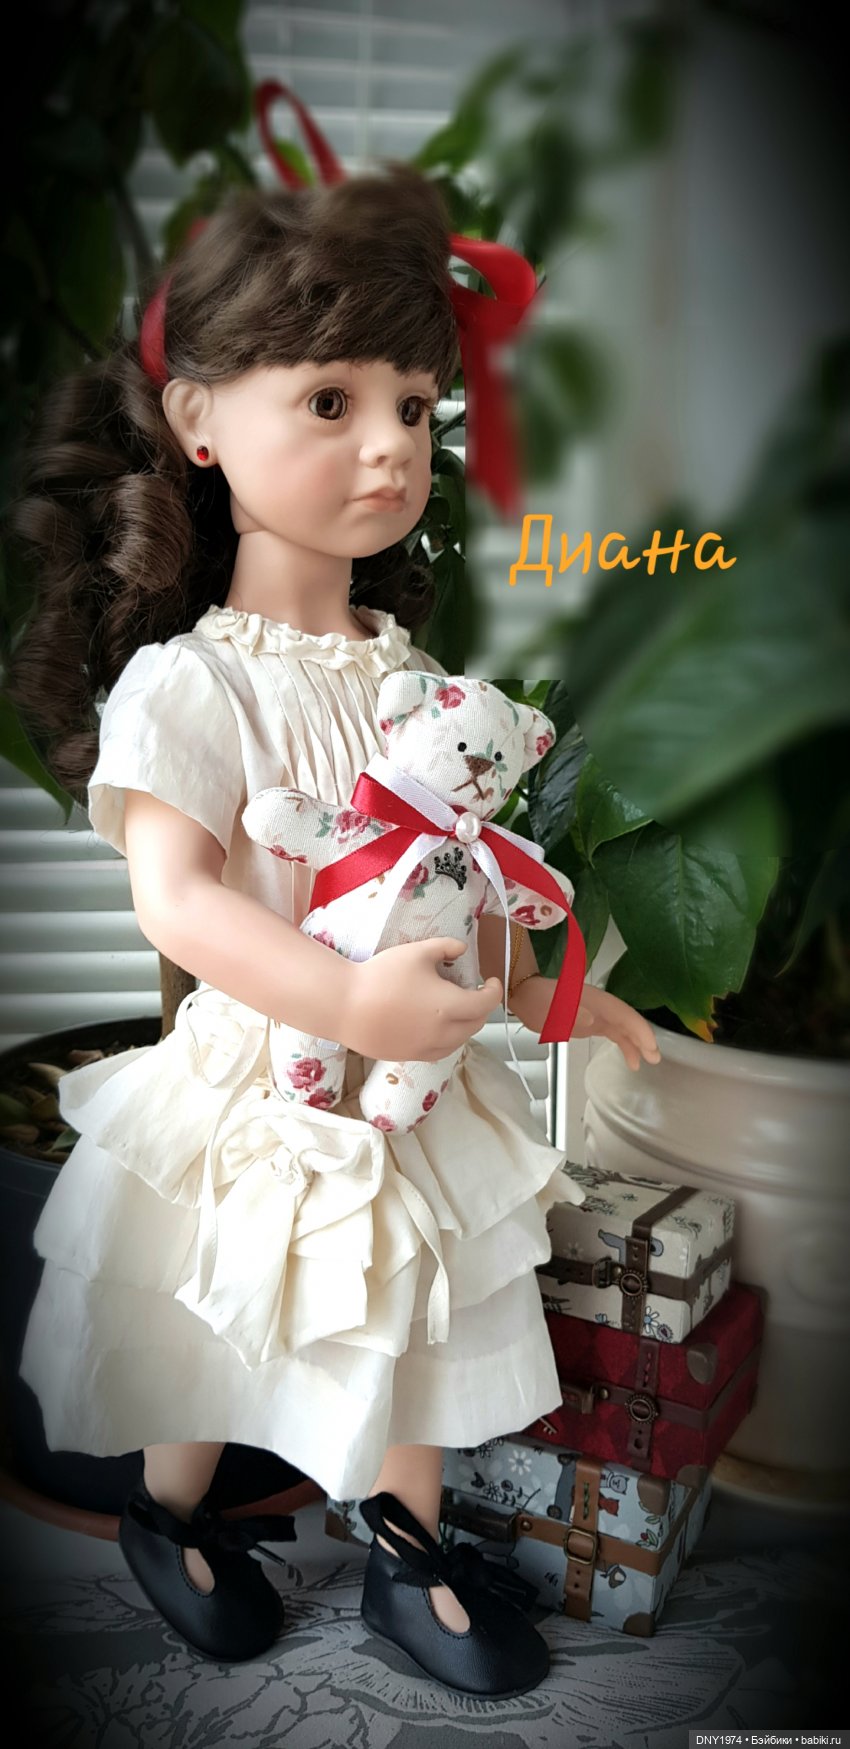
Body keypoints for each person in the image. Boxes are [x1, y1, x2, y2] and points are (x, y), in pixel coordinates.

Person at [6, 164, 660, 1698]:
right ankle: (170, 1513)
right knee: (211, 1304)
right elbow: (177, 897)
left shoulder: (414, 677)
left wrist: (552, 995)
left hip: (406, 1087)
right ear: (198, 420)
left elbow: (455, 871)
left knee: (411, 1314)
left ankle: (406, 1543)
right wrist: (345, 1002)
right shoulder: (192, 682)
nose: (388, 445)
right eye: (329, 401)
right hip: (260, 1070)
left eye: (414, 408)